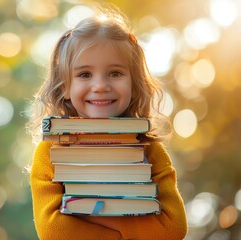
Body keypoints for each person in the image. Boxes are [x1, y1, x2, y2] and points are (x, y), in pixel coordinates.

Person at [25, 6, 188, 240]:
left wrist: (84, 214)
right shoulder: (51, 154)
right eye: (84, 75)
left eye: (114, 73)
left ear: (134, 83)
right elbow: (53, 232)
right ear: (65, 88)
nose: (100, 85)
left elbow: (173, 229)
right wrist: (129, 229)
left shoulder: (150, 151)